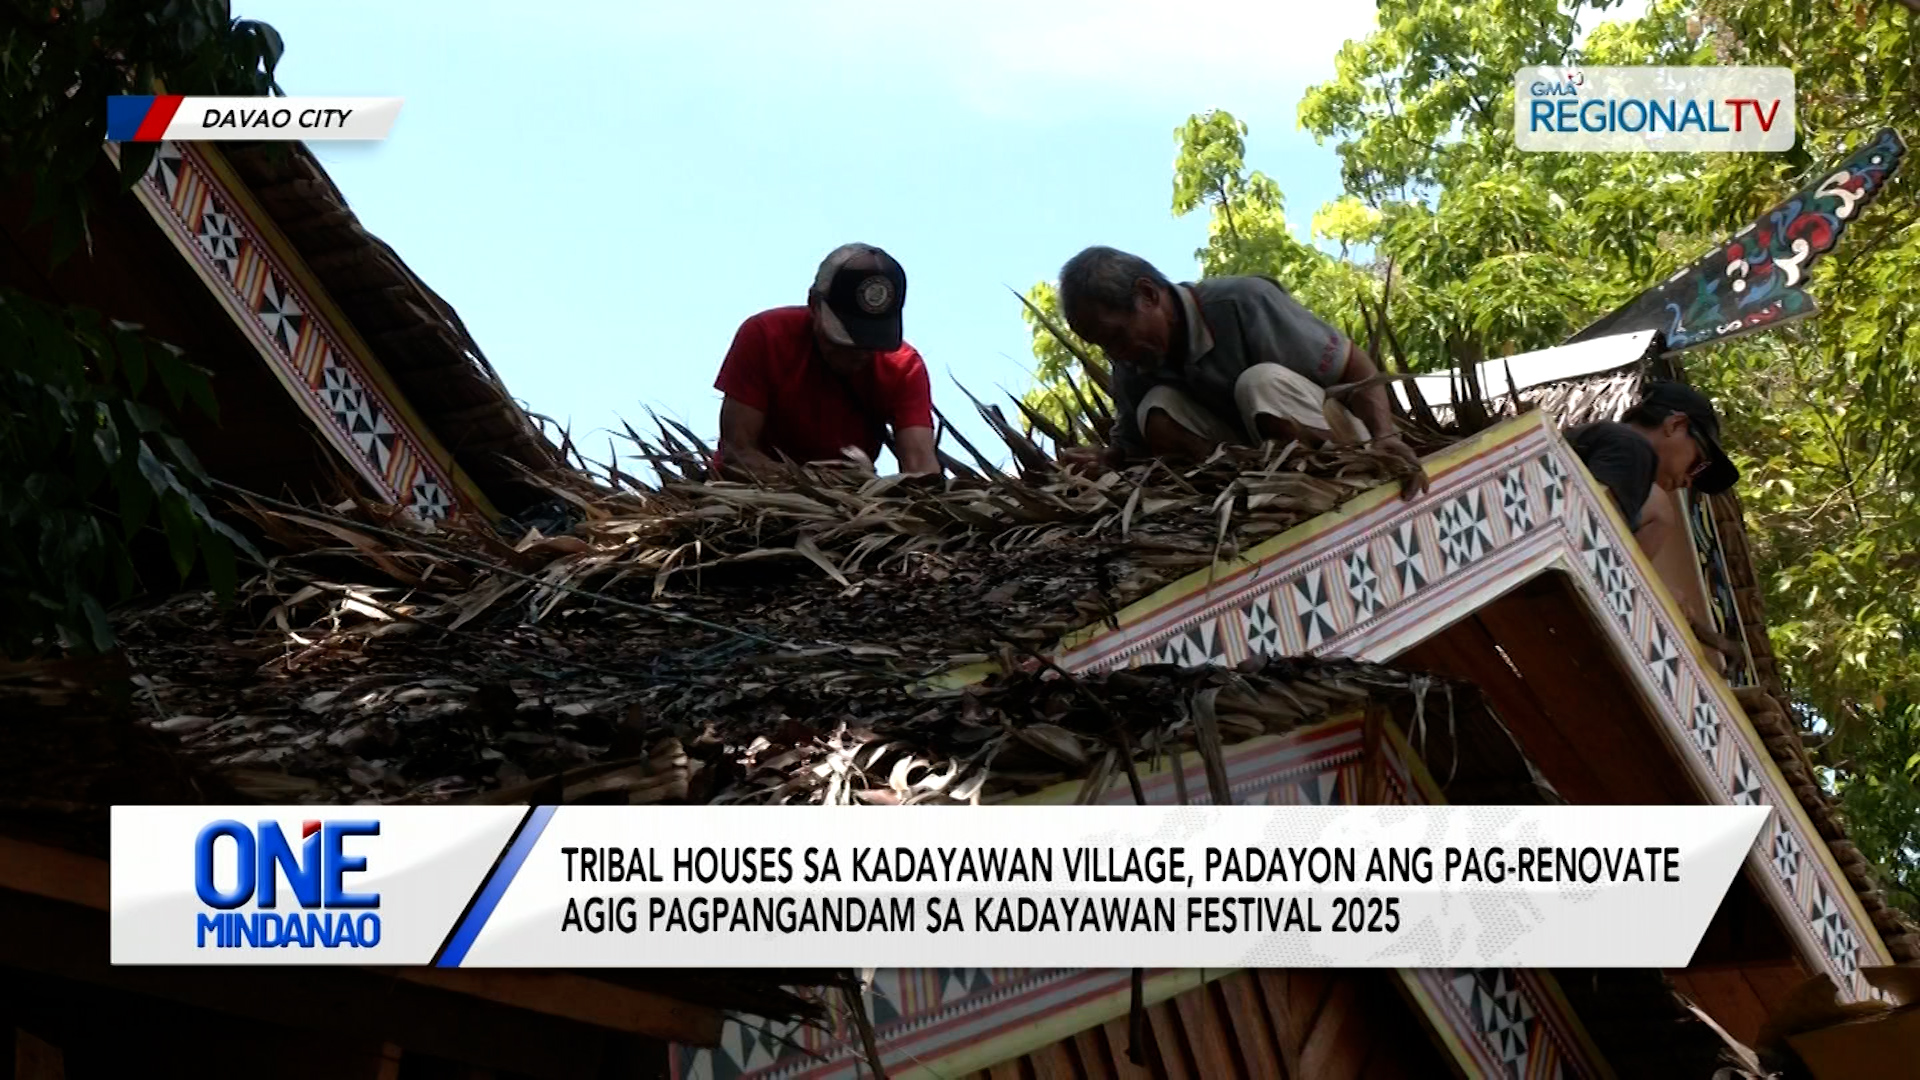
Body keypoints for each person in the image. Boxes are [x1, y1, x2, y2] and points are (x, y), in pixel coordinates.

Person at [1052, 246, 1429, 498]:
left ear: (1148, 294)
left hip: (1341, 445)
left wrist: (1385, 435)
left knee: (1259, 383)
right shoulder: (1132, 362)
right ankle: (1234, 496)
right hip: (1248, 477)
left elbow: (1354, 366)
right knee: (1158, 406)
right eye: (1102, 345)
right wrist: (1105, 460)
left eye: (1117, 335)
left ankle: (1314, 477)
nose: (1115, 353)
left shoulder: (1242, 302)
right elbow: (1133, 448)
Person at [714, 244, 940, 477]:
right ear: (814, 304)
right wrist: (809, 482)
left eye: (870, 343)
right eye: (843, 341)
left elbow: (922, 470)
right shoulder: (766, 337)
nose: (858, 354)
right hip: (756, 496)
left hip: (851, 505)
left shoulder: (903, 368)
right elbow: (737, 453)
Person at [1565, 381, 1745, 658]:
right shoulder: (1633, 447)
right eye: (1698, 463)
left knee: (1661, 510)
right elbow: (1590, 533)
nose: (1689, 481)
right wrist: (1651, 593)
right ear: (1675, 424)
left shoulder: (1621, 448)